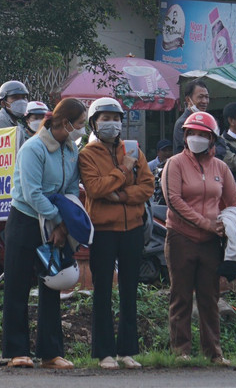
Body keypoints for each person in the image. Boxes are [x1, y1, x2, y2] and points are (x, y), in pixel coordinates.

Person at [1, 97, 87, 369]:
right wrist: (58, 220)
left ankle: (51, 353)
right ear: (65, 123)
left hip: (54, 224)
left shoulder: (70, 149)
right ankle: (17, 351)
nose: (82, 129)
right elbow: (32, 193)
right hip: (26, 221)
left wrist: (63, 226)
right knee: (17, 286)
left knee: (52, 285)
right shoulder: (33, 148)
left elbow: (71, 189)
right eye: (80, 124)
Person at [78, 97, 152, 369]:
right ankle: (104, 353)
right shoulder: (87, 154)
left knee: (129, 290)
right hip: (103, 231)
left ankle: (127, 351)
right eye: (105, 119)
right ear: (94, 123)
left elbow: (147, 186)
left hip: (132, 228)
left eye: (116, 118)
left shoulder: (132, 149)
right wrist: (123, 170)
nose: (112, 123)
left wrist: (120, 195)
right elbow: (96, 188)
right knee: (102, 293)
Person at [162, 110, 236, 365]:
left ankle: (214, 353)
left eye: (202, 134)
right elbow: (174, 201)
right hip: (181, 237)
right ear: (184, 136)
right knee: (181, 296)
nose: (196, 138)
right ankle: (181, 351)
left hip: (211, 243)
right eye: (191, 133)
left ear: (212, 139)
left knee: (210, 297)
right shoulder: (175, 164)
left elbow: (233, 200)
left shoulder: (221, 167)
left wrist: (229, 224)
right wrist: (207, 224)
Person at [171, 79, 211, 154]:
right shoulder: (183, 123)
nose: (204, 101)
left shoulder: (208, 121)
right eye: (200, 97)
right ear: (188, 100)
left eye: (206, 97)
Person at [0, 80, 31, 144]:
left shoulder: (17, 124)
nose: (21, 102)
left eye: (23, 97)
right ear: (3, 103)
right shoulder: (0, 120)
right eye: (15, 98)